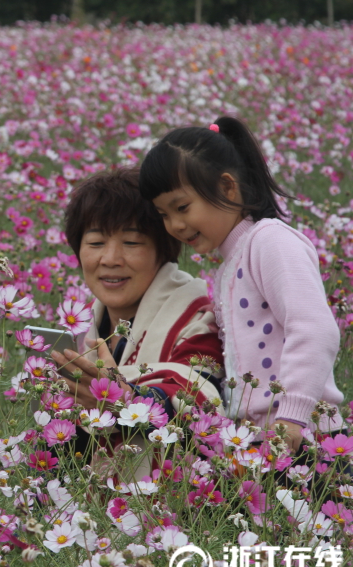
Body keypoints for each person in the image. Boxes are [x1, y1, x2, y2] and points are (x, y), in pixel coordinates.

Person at [139, 115, 347, 454]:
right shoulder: (230, 266)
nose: (175, 225)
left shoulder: (270, 241)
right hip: (260, 442)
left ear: (226, 187)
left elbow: (314, 329)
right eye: (164, 214)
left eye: (182, 207)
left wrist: (291, 418)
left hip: (304, 440)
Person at [51, 167, 223, 480]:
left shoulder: (199, 316)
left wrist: (123, 399)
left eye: (131, 243)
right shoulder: (90, 328)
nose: (111, 259)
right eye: (95, 243)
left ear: (165, 249)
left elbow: (203, 397)